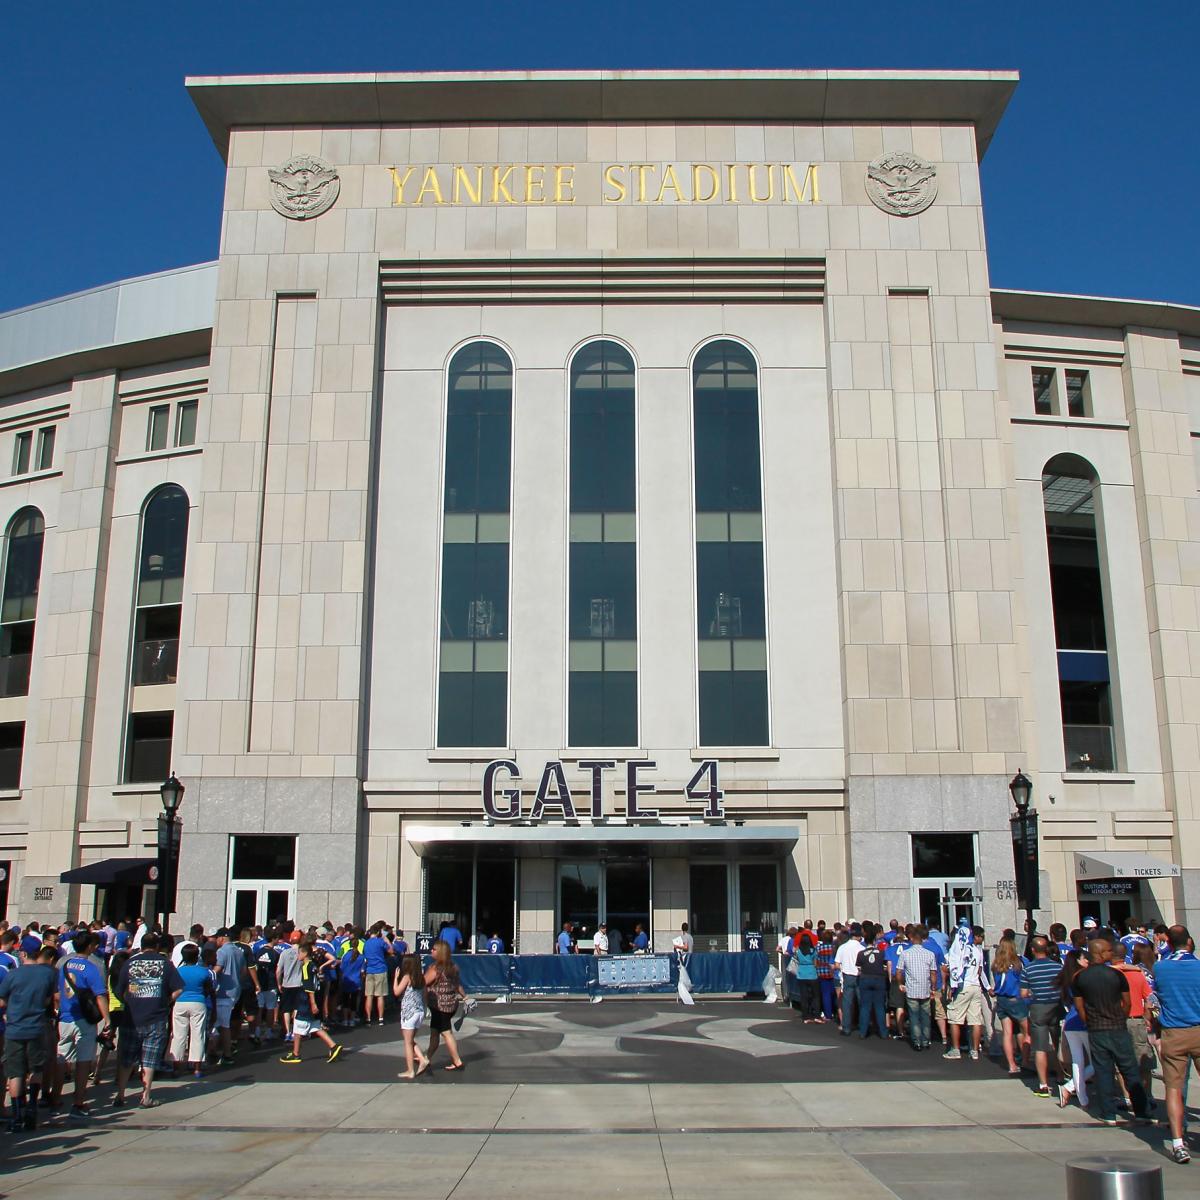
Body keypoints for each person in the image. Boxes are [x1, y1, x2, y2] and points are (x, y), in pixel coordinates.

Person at [1073, 938, 1150, 1126]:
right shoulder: (1116, 975)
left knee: (1103, 1071)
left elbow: (1079, 1007)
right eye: (1108, 951)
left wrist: (1089, 1022)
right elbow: (1127, 1002)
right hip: (1117, 1028)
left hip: (1096, 1029)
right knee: (1130, 1070)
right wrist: (1120, 1018)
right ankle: (1141, 1111)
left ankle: (1108, 1114)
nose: (1111, 954)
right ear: (1099, 953)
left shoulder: (1080, 977)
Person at [114, 931, 182, 1108]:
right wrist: (167, 1000)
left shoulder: (130, 962)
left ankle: (120, 1095)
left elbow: (118, 990)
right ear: (157, 946)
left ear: (141, 945)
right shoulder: (165, 964)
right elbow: (178, 988)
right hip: (156, 1016)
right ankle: (145, 1096)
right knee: (150, 1059)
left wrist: (128, 1001)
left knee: (127, 1058)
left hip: (131, 1017)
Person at [1153, 924, 1200, 1164]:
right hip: (1198, 1027)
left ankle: (1178, 1142)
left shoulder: (1161, 968)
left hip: (1174, 1031)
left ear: (1168, 943)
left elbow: (1156, 995)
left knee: (1173, 1088)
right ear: (1189, 942)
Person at [0, 942, 57, 1132]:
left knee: (15, 1073)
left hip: (15, 1028)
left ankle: (17, 1115)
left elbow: (1, 999)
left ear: (23, 954)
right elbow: (49, 998)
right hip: (37, 1026)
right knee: (36, 1069)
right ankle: (32, 1106)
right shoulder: (48, 973)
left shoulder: (13, 974)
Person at [57, 931, 109, 1120]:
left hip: (65, 1017)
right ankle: (78, 1102)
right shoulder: (91, 967)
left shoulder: (64, 963)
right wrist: (107, 1020)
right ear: (89, 947)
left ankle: (55, 1098)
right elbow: (100, 995)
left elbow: (58, 991)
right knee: (83, 1062)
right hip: (84, 1020)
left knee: (62, 1058)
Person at [279, 942, 342, 1064]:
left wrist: (312, 1003)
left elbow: (309, 987)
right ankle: (333, 1046)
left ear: (305, 953)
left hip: (305, 1000)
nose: (298, 955)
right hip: (310, 999)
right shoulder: (313, 965)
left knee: (298, 1026)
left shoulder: (306, 967)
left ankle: (296, 1054)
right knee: (314, 1026)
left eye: (299, 953)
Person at [1110, 943, 1156, 1106]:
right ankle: (1148, 1095)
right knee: (1143, 1058)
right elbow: (1151, 998)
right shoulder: (1137, 974)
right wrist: (1147, 1015)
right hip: (1137, 1020)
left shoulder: (1109, 974)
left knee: (1120, 1060)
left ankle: (1127, 1096)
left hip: (1117, 1021)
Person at [1020, 936, 1063, 1098]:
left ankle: (1043, 1084)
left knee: (1040, 1047)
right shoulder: (1057, 967)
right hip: (1056, 1006)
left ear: (1032, 950)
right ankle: (1060, 1075)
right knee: (1057, 1043)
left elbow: (1023, 993)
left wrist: (1032, 994)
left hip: (1038, 1007)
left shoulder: (1028, 969)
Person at [943, 920, 990, 1061]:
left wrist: (953, 983)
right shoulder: (978, 951)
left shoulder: (961, 949)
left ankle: (955, 1049)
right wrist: (986, 986)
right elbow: (980, 970)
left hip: (964, 985)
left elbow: (952, 967)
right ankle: (974, 1050)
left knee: (955, 1018)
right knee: (975, 1020)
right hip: (976, 986)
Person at [1056, 950, 1094, 1109]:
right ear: (1078, 960)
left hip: (1070, 1022)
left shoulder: (1068, 977)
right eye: (1085, 958)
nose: (1088, 961)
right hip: (1082, 1021)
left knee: (1078, 1062)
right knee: (1097, 1061)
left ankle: (1081, 1097)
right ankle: (1071, 1088)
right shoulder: (1081, 977)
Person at [172, 943, 214, 1078]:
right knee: (198, 1035)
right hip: (198, 1002)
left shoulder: (177, 971)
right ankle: (197, 1068)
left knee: (179, 1035)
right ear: (197, 957)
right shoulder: (204, 972)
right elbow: (208, 990)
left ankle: (176, 1067)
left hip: (180, 1002)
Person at [991, 934, 1030, 1075]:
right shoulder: (1019, 963)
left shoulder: (996, 964)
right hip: (1016, 999)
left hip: (1001, 999)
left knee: (1007, 1033)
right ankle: (1025, 1060)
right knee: (1026, 1031)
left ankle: (1012, 1065)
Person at [424, 940, 466, 1071]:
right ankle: (427, 1058)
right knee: (434, 1032)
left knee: (446, 1033)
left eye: (434, 949)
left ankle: (457, 1060)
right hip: (450, 1005)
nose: (431, 951)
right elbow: (458, 985)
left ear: (440, 952)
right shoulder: (453, 967)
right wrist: (465, 997)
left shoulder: (435, 968)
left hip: (439, 1006)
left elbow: (423, 982)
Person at [897, 926, 940, 1050]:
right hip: (925, 989)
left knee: (914, 1015)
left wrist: (901, 983)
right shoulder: (929, 954)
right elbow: (933, 973)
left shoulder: (905, 954)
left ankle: (916, 1040)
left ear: (911, 939)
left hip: (911, 989)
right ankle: (926, 1040)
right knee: (926, 1015)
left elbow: (899, 971)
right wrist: (933, 987)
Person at [393, 953, 430, 1080]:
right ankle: (421, 1059)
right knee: (410, 1040)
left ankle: (410, 1070)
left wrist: (395, 978)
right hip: (419, 1011)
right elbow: (425, 994)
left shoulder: (407, 977)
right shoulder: (421, 977)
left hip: (409, 1012)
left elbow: (396, 992)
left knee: (407, 1043)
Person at [855, 934, 888, 1039]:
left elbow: (859, 969)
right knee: (879, 1006)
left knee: (865, 1006)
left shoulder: (861, 954)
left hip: (865, 979)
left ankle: (863, 1032)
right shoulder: (881, 953)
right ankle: (883, 1032)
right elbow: (885, 966)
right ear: (874, 941)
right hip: (879, 979)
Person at [834, 925, 864, 1036]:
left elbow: (837, 964)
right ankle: (863, 1026)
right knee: (862, 1002)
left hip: (847, 975)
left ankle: (846, 1027)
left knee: (847, 1003)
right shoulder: (862, 948)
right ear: (859, 936)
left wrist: (843, 967)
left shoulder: (842, 947)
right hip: (859, 975)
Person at [253, 928, 282, 1039]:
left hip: (260, 983)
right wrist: (279, 983)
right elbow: (278, 970)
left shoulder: (258, 951)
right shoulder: (275, 954)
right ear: (274, 939)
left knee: (259, 1007)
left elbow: (254, 966)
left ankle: (257, 1030)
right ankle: (269, 1031)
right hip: (271, 983)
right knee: (270, 1008)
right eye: (277, 938)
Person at [362, 924, 392, 1026]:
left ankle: (368, 1018)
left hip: (369, 970)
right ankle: (380, 1018)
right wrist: (386, 940)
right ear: (378, 932)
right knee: (380, 995)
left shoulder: (366, 943)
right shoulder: (380, 942)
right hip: (380, 969)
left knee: (369, 995)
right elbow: (391, 951)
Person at [790, 932, 820, 1023]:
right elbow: (815, 963)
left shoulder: (798, 951)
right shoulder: (813, 950)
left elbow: (796, 958)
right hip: (812, 973)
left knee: (804, 996)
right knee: (816, 996)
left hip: (801, 973)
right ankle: (816, 1015)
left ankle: (805, 1016)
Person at [815, 930, 837, 1024]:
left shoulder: (819, 948)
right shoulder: (834, 948)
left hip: (822, 973)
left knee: (825, 994)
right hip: (833, 972)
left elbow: (816, 961)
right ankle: (836, 1012)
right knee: (835, 994)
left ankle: (828, 1014)